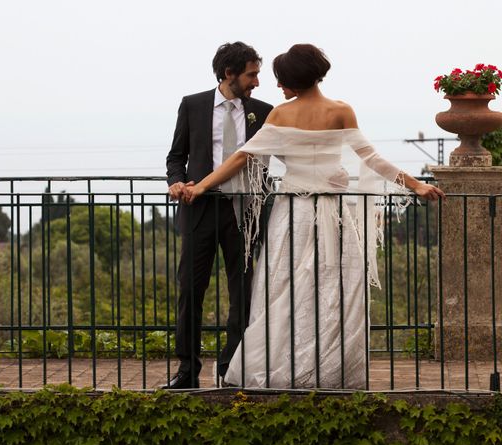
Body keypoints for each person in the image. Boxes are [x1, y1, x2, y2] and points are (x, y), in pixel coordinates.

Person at [183, 44, 444, 389]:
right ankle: (330, 368)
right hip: (334, 213)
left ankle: (283, 367)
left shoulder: (280, 115)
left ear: (295, 80)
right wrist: (415, 185)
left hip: (293, 214)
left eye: (281, 79)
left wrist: (201, 186)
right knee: (334, 290)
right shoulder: (341, 111)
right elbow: (373, 159)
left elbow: (240, 159)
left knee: (283, 290)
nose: (277, 86)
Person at [164, 42, 274, 389]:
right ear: (229, 74)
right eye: (251, 74)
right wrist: (176, 182)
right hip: (199, 208)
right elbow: (175, 157)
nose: (256, 81)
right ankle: (187, 371)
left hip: (244, 211)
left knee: (242, 292)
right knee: (190, 291)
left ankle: (231, 368)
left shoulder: (263, 110)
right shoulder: (192, 105)